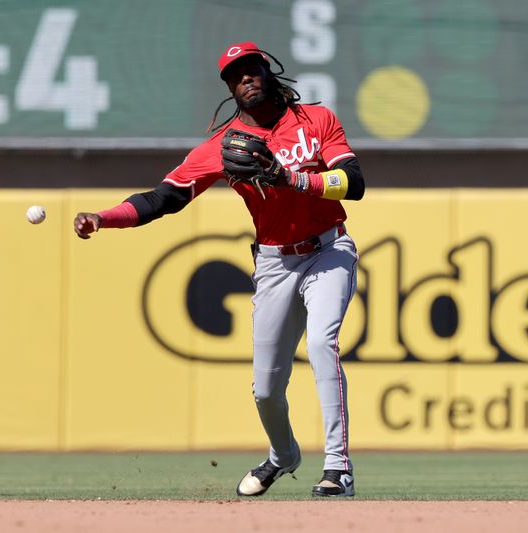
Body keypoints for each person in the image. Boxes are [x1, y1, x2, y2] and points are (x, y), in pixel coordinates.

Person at [73, 41, 364, 497]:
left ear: (267, 72)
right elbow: (163, 198)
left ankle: (337, 467)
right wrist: (103, 218)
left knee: (323, 344)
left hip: (329, 250)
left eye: (251, 69)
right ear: (229, 88)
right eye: (234, 75)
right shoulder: (223, 145)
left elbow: (354, 183)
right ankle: (283, 455)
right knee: (266, 389)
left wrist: (293, 178)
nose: (244, 78)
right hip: (274, 263)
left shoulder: (316, 120)